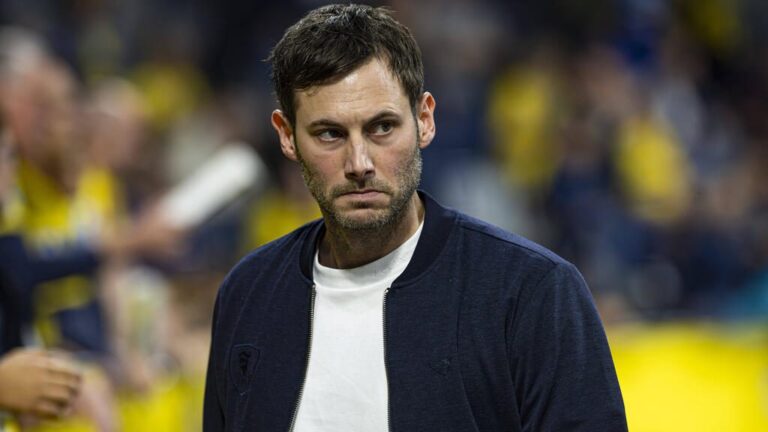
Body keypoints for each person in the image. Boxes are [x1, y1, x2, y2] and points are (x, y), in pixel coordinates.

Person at [203, 4, 627, 431]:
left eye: (382, 127)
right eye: (329, 134)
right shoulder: (247, 294)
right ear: (287, 136)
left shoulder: (531, 292)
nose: (359, 162)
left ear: (424, 120)